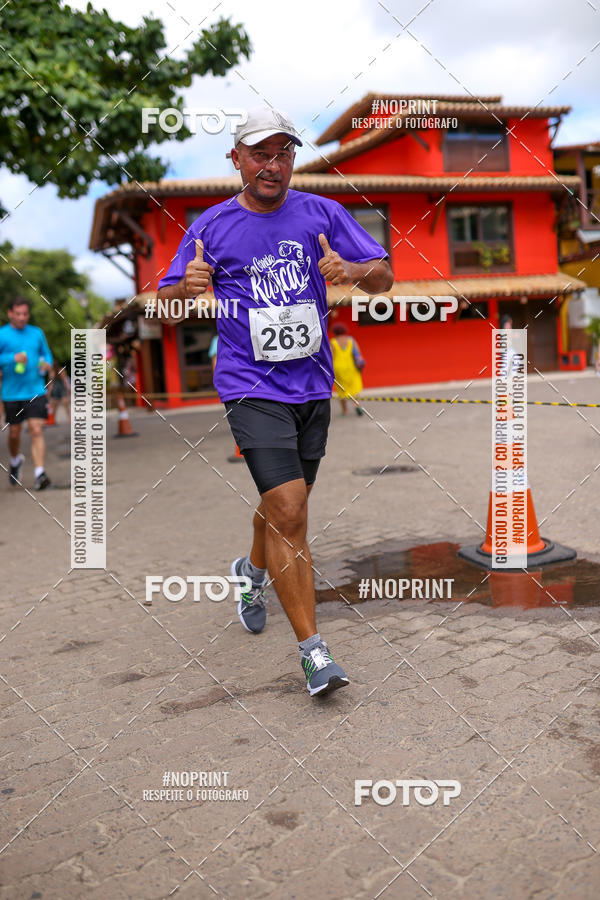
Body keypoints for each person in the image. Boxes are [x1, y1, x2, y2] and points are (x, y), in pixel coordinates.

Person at [157, 106, 393, 696]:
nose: (273, 164)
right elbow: (166, 301)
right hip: (249, 384)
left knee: (285, 504)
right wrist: (185, 291)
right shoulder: (209, 227)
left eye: (284, 152)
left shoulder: (324, 212)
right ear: (235, 158)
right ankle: (315, 654)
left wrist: (354, 269)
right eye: (260, 153)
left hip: (312, 386)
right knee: (291, 512)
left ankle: (251, 570)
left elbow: (385, 276)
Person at [0, 297, 53, 489]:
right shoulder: (2, 334)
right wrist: (11, 358)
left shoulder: (36, 333)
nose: (22, 317)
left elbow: (46, 354)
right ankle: (15, 460)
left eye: (25, 314)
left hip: (35, 390)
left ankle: (40, 474)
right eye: (18, 314)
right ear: (10, 313)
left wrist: (46, 363)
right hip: (11, 394)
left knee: (36, 430)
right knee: (14, 434)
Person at [330, 322, 365, 416]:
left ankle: (344, 410)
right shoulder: (351, 340)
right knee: (354, 389)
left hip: (338, 368)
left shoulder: (333, 342)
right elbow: (358, 353)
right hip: (351, 367)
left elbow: (331, 356)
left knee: (341, 390)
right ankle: (356, 405)